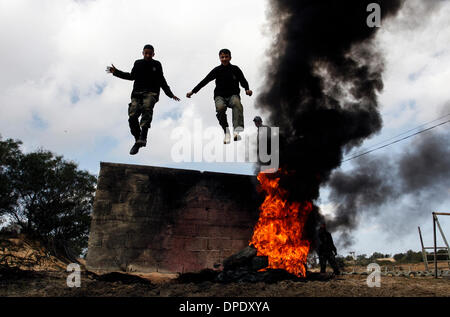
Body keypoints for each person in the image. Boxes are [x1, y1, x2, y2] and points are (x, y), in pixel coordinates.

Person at [106, 44, 180, 155]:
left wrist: (170, 94)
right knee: (132, 116)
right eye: (146, 53)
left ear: (153, 54)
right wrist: (116, 72)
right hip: (137, 93)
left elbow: (162, 81)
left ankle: (143, 135)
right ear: (143, 53)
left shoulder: (157, 64)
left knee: (147, 107)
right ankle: (137, 139)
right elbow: (131, 76)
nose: (148, 55)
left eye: (150, 53)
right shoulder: (138, 63)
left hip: (151, 93)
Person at [186, 49, 252, 144]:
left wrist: (247, 89)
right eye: (222, 57)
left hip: (233, 95)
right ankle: (226, 132)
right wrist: (192, 91)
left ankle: (236, 132)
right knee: (220, 108)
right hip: (220, 96)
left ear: (230, 57)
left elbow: (243, 80)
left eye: (226, 57)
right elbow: (205, 81)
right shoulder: (217, 70)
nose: (224, 59)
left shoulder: (235, 69)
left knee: (237, 104)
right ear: (219, 58)